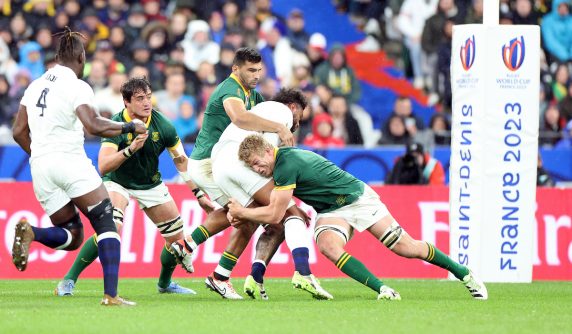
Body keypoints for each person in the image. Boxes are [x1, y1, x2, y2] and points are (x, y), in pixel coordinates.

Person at [228, 135, 488, 300]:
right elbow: (280, 209)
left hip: (358, 199)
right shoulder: (282, 163)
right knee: (328, 246)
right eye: (252, 167)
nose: (257, 169)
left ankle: (464, 273)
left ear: (265, 151)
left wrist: (242, 212)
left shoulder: (286, 164)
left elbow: (275, 213)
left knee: (406, 248)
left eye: (255, 163)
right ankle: (383, 290)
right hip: (332, 210)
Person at [11, 27, 146, 306]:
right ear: (81, 58)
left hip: (40, 166)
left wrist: (39, 154)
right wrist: (129, 126)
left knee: (73, 236)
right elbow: (94, 125)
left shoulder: (35, 84)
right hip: (69, 161)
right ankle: (111, 295)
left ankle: (33, 233)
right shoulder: (77, 85)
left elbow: (18, 131)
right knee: (106, 222)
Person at [54, 77, 214, 296]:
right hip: (117, 181)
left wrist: (198, 193)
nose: (146, 103)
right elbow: (103, 165)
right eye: (139, 99)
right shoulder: (116, 125)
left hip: (149, 183)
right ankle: (68, 280)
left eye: (148, 97)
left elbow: (181, 160)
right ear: (126, 102)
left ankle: (165, 285)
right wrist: (131, 149)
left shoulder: (163, 125)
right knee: (111, 229)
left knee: (177, 242)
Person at [170, 47, 294, 299]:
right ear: (235, 69)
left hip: (219, 163)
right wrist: (280, 127)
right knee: (247, 217)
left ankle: (187, 246)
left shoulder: (253, 95)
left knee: (238, 213)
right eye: (250, 70)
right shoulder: (231, 89)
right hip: (210, 163)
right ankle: (219, 276)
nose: (256, 74)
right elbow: (239, 118)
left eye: (259, 70)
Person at [210, 88, 331, 300]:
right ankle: (304, 273)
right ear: (293, 107)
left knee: (261, 221)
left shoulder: (262, 111)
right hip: (237, 160)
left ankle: (224, 276)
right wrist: (291, 205)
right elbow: (270, 158)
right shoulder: (281, 112)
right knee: (287, 215)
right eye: (299, 117)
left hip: (221, 164)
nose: (297, 124)